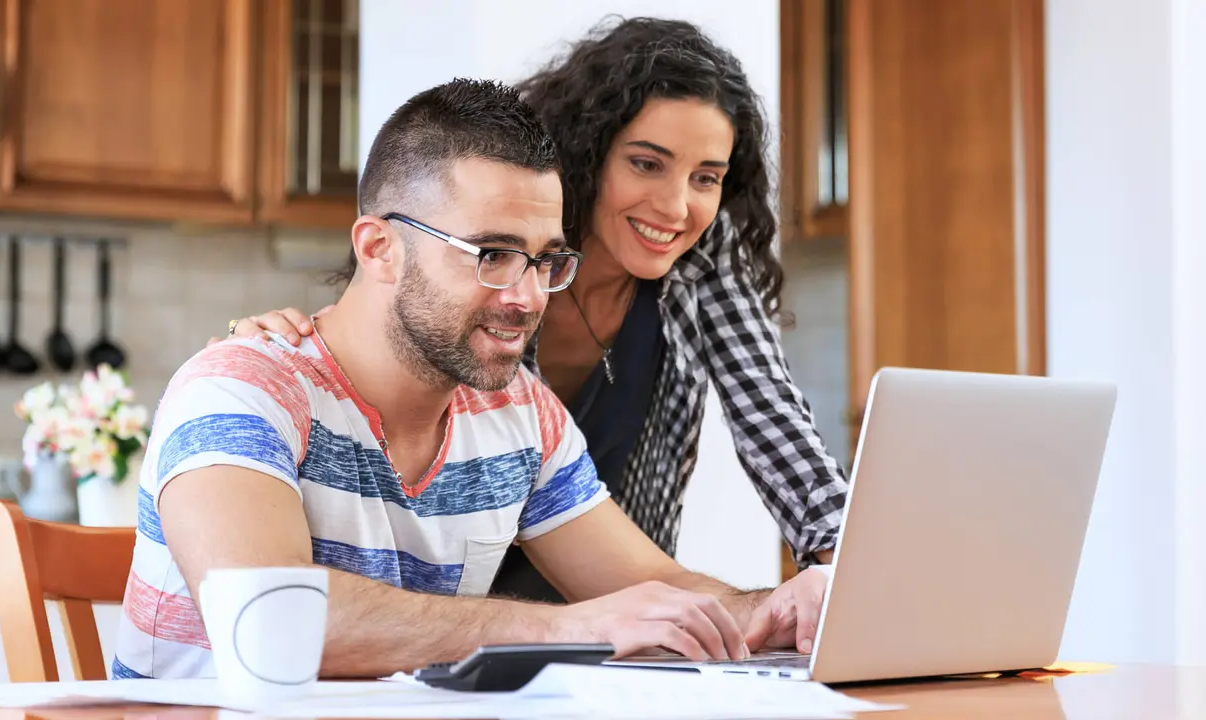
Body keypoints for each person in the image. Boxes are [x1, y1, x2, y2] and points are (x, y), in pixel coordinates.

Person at [116, 78, 829, 681]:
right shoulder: (241, 388)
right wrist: (574, 629)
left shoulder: (518, 413)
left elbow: (656, 587)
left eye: (546, 259)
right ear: (380, 247)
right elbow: (265, 618)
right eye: (491, 253)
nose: (526, 297)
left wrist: (774, 608)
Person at [224, 17, 850, 603]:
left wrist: (847, 576)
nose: (676, 206)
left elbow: (777, 427)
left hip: (612, 610)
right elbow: (394, 326)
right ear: (591, 152)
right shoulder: (502, 271)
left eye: (706, 178)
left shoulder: (698, 268)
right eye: (646, 164)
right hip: (457, 620)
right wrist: (275, 360)